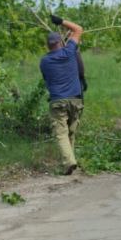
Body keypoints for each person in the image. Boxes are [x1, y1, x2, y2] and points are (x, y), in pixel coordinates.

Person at [40, 16, 85, 175]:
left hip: (58, 101)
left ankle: (69, 162)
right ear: (61, 42)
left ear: (48, 45)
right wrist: (60, 21)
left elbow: (47, 80)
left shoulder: (44, 61)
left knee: (61, 134)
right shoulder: (70, 51)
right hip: (76, 100)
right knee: (70, 133)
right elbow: (78, 29)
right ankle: (70, 163)